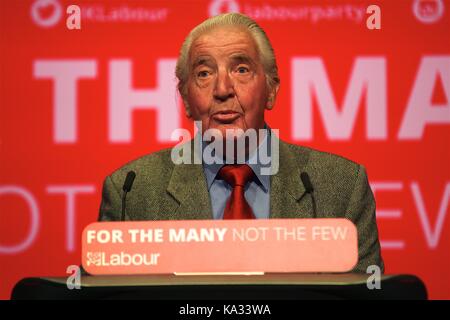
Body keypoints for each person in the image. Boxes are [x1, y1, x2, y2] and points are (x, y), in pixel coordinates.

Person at [99, 13, 384, 273]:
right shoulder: (132, 192)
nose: (223, 90)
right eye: (204, 73)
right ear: (186, 99)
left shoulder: (341, 186)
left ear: (271, 90)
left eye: (242, 69)